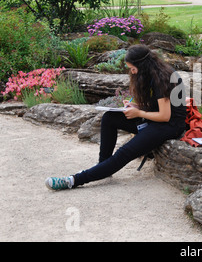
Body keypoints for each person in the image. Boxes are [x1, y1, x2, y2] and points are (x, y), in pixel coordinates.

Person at [45, 45, 187, 190]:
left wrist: (139, 113)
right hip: (154, 119)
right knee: (109, 118)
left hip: (170, 125)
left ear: (142, 65)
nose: (132, 72)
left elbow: (165, 115)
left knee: (124, 153)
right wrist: (138, 107)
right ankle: (103, 167)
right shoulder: (151, 73)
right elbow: (156, 105)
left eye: (133, 69)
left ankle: (73, 180)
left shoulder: (163, 77)